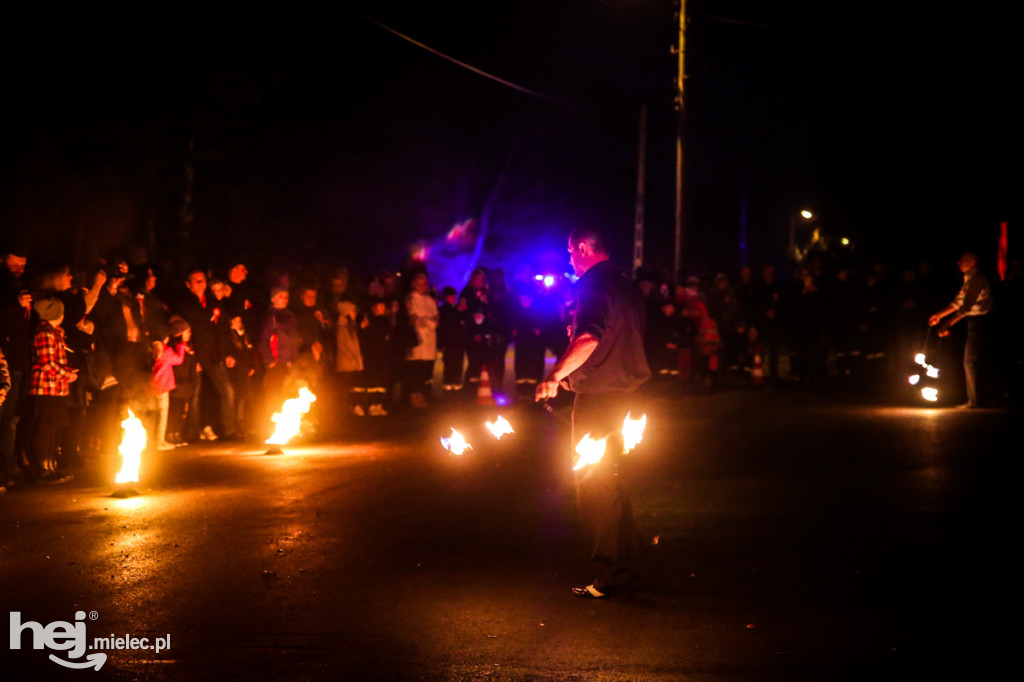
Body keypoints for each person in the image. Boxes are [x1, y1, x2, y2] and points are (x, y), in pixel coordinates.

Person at [536, 226, 651, 599]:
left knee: (595, 485)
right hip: (627, 397)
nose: (570, 258)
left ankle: (609, 575)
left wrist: (556, 376)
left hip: (600, 402)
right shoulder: (626, 285)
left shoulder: (593, 286)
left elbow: (590, 337)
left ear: (584, 248)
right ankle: (628, 566)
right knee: (615, 482)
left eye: (571, 251)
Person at [928, 251, 993, 408]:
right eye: (960, 260)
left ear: (973, 261)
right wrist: (939, 315)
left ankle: (976, 400)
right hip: (973, 322)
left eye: (964, 260)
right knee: (972, 360)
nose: (960, 263)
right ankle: (977, 398)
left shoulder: (977, 280)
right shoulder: (968, 280)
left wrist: (948, 323)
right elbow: (958, 302)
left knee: (970, 360)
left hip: (980, 322)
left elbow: (966, 306)